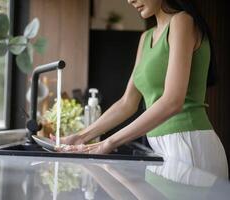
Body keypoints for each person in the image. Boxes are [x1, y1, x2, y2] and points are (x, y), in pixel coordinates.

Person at [53, 0, 228, 178]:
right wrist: (81, 136)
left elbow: (172, 101)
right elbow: (127, 103)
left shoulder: (182, 21)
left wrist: (109, 142)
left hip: (189, 146)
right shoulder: (146, 37)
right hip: (160, 150)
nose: (130, 0)